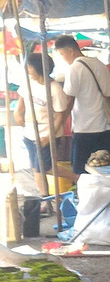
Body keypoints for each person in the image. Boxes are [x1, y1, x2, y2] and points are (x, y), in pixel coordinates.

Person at [53, 35, 110, 176]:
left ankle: (88, 197)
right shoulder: (99, 64)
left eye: (62, 54)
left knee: (82, 170)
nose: (63, 58)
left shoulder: (75, 68)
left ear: (71, 51)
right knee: (107, 170)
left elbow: (69, 99)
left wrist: (60, 123)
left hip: (85, 129)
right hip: (106, 126)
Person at [14, 54, 68, 197]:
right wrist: (18, 112)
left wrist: (49, 137)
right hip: (30, 133)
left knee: (45, 167)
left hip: (47, 133)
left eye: (30, 67)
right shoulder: (28, 83)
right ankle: (45, 197)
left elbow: (60, 116)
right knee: (36, 168)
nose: (27, 70)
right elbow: (22, 99)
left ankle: (76, 177)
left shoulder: (55, 89)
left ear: (38, 68)